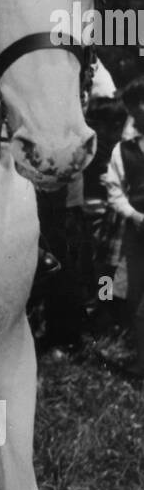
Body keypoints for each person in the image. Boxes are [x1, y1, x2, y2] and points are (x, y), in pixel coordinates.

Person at [104, 76, 144, 376]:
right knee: (133, 298)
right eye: (136, 103)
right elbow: (115, 191)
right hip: (137, 228)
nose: (142, 107)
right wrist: (135, 216)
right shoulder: (123, 150)